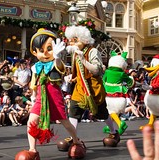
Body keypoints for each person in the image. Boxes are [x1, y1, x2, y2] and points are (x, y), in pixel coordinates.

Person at [15, 28, 83, 160]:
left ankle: (76, 141)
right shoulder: (36, 67)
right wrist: (33, 97)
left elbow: (60, 67)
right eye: (41, 50)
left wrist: (57, 57)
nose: (45, 53)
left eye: (49, 48)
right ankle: (33, 149)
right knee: (31, 122)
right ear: (35, 52)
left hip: (55, 98)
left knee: (65, 123)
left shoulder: (56, 63)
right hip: (41, 99)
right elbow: (34, 84)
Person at [62, 25, 119, 148]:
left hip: (94, 88)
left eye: (75, 39)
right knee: (73, 110)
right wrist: (72, 78)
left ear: (84, 39)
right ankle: (73, 137)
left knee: (102, 113)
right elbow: (80, 73)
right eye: (70, 40)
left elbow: (96, 71)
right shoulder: (75, 53)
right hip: (80, 88)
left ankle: (114, 132)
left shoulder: (93, 51)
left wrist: (83, 59)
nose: (71, 42)